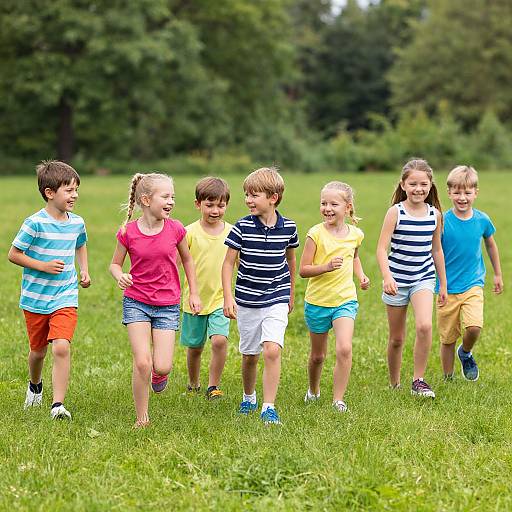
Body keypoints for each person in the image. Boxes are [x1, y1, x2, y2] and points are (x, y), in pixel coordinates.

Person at [109, 173, 201, 428]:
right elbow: (115, 264)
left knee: (162, 365)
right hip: (136, 301)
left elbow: (188, 260)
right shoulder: (128, 232)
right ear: (147, 200)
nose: (171, 201)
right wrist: (120, 275)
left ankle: (158, 374)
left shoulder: (176, 229)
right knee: (142, 362)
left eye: (173, 196)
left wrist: (193, 292)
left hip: (167, 304)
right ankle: (142, 418)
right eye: (166, 196)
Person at [8, 160, 91, 420]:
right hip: (35, 298)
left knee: (61, 347)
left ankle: (57, 405)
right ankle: (35, 385)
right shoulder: (34, 223)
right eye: (69, 190)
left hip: (65, 295)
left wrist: (84, 269)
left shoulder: (77, 222)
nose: (75, 195)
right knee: (38, 352)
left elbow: (81, 244)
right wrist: (42, 266)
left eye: (76, 189)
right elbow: (14, 254)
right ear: (50, 193)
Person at [222, 167, 299, 425]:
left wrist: (291, 292)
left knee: (272, 350)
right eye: (246, 195)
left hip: (276, 296)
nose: (248, 200)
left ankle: (268, 407)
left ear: (273, 197)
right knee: (250, 356)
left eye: (254, 195)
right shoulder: (241, 227)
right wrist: (227, 297)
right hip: (246, 300)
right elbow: (227, 264)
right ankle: (248, 396)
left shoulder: (289, 227)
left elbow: (290, 260)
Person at [376, 158, 447, 398]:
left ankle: (418, 380)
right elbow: (381, 249)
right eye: (413, 183)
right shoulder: (395, 212)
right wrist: (387, 277)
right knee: (397, 338)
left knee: (425, 325)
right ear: (403, 185)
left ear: (430, 185)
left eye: (424, 184)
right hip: (396, 280)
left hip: (423, 277)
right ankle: (394, 383)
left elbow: (436, 250)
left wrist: (443, 284)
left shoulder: (434, 214)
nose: (419, 189)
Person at [299, 182, 370, 413]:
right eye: (323, 203)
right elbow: (304, 270)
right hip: (318, 302)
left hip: (345, 300)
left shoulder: (355, 235)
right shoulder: (315, 234)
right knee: (318, 356)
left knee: (344, 348)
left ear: (348, 208)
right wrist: (326, 266)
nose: (327, 208)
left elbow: (355, 258)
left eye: (333, 204)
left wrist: (361, 276)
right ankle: (313, 389)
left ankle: (338, 399)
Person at [436, 165, 503, 381]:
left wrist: (497, 274)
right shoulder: (442, 221)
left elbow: (491, 245)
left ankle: (465, 352)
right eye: (457, 192)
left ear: (476, 193)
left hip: (473, 283)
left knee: (474, 327)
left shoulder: (482, 219)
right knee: (447, 338)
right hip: (446, 287)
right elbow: (434, 251)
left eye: (467, 192)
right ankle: (448, 377)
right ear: (449, 193)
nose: (462, 197)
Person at [180, 177, 232, 400]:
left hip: (222, 298)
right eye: (209, 205)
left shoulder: (233, 232)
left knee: (219, 340)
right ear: (198, 204)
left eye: (220, 205)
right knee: (195, 347)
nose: (215, 210)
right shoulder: (188, 232)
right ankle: (193, 383)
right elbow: (176, 262)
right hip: (195, 299)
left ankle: (213, 385)